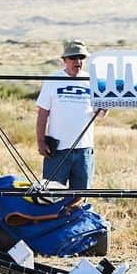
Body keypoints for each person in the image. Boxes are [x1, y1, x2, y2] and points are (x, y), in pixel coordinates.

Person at [35, 40, 104, 190]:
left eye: (81, 58)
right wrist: (40, 141)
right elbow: (42, 114)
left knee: (80, 195)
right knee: (51, 195)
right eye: (73, 58)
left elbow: (100, 113)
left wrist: (106, 105)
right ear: (65, 60)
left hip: (84, 150)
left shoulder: (92, 81)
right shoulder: (53, 80)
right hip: (57, 149)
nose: (77, 61)